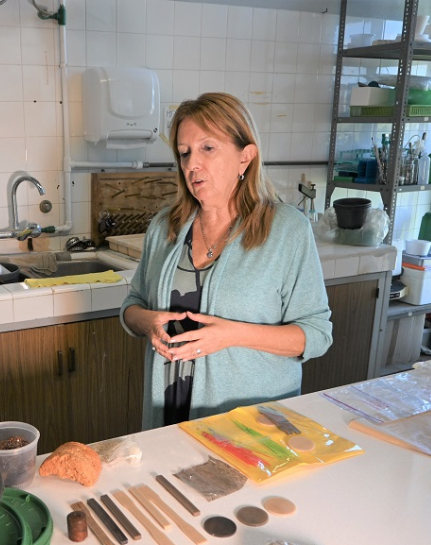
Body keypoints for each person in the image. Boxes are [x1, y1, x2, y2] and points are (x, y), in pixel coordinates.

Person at [120, 92, 333, 430]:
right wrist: (148, 323)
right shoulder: (165, 227)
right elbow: (133, 306)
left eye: (208, 148)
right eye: (184, 152)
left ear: (245, 157)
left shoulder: (287, 229)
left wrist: (231, 335)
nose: (192, 165)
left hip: (253, 427)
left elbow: (316, 335)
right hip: (168, 420)